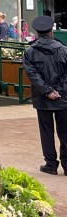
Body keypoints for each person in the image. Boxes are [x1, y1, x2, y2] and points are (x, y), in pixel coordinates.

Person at [22, 15, 67, 175]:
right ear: (51, 31)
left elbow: (33, 75)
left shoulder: (30, 52)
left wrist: (47, 91)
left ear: (37, 32)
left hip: (42, 98)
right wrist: (58, 91)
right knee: (65, 131)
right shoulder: (64, 50)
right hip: (63, 97)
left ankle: (50, 164)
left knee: (46, 131)